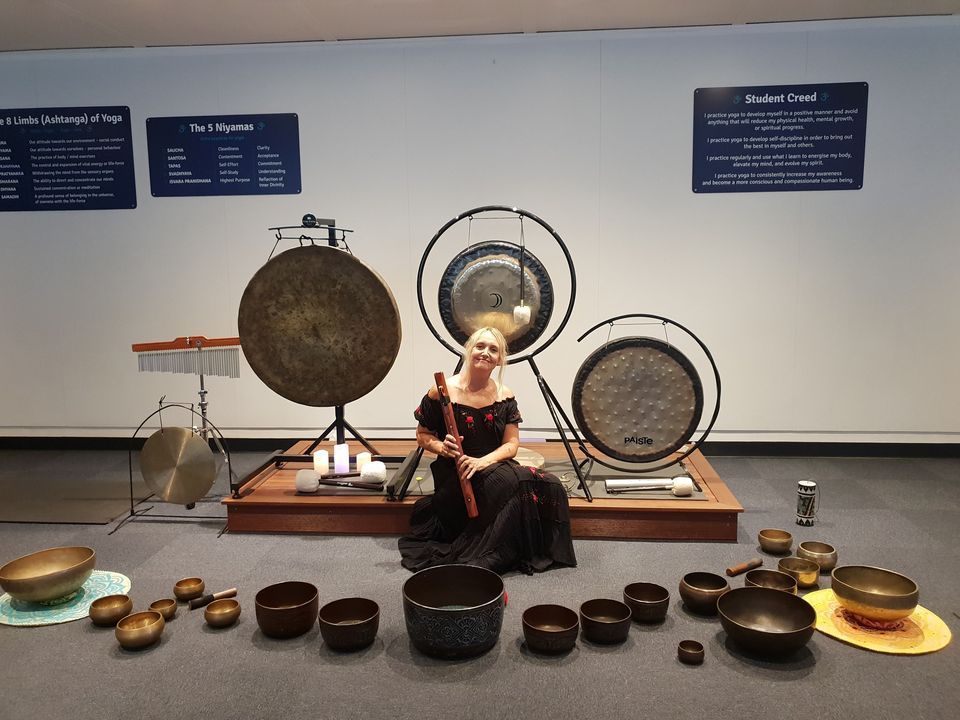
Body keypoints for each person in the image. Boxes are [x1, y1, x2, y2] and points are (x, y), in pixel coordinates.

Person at [398, 326, 577, 575]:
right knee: (516, 482)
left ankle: (518, 550)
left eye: (493, 349)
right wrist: (442, 447)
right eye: (480, 346)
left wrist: (482, 462)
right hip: (456, 475)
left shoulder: (505, 395)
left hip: (492, 466)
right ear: (469, 350)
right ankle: (489, 556)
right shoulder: (441, 391)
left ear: (500, 359)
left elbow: (511, 446)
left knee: (550, 484)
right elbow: (422, 435)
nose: (485, 353)